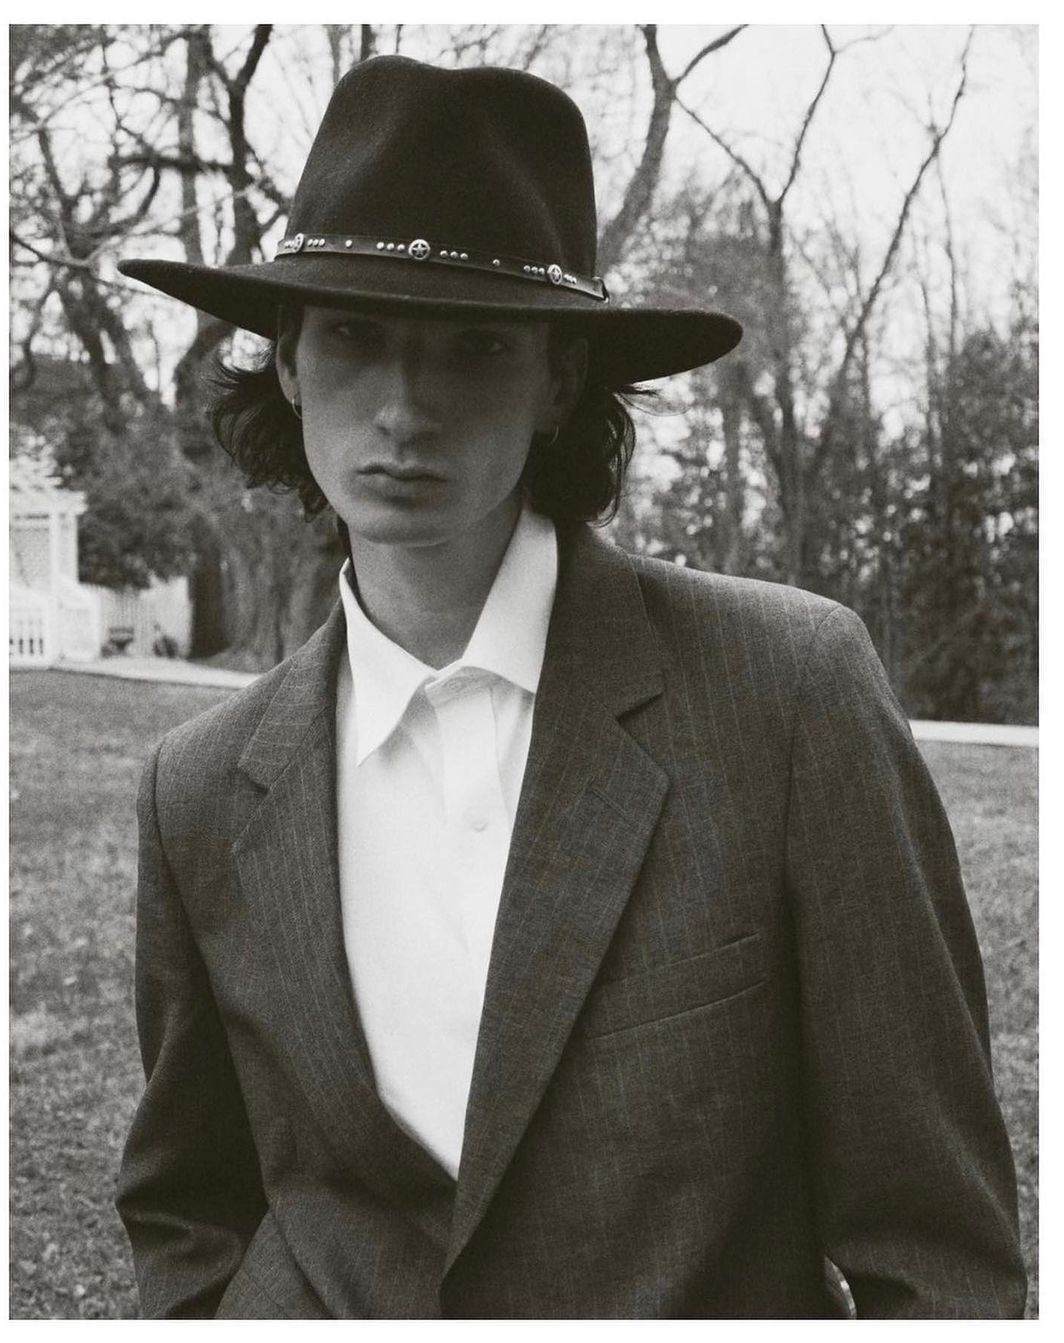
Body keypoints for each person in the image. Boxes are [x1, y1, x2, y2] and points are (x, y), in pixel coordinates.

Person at [114, 54, 1026, 1319]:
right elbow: (189, 1206)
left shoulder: (785, 693)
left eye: (475, 346)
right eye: (357, 336)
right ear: (287, 360)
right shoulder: (203, 787)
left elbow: (937, 1246)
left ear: (557, 380)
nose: (406, 407)